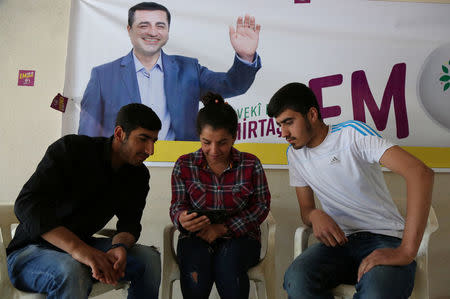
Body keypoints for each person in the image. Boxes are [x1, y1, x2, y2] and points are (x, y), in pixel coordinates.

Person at [267, 83, 434, 299]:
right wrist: (315, 215)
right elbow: (306, 210)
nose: (284, 133)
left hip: (385, 237)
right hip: (339, 243)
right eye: (280, 125)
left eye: (289, 122)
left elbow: (420, 173)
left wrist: (406, 251)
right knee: (296, 281)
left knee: (377, 293)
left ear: (312, 114)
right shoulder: (295, 154)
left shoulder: (351, 134)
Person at [7, 104, 162, 299]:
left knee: (149, 260)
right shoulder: (72, 149)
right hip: (30, 251)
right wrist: (79, 250)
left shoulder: (138, 175)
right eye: (143, 139)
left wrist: (119, 247)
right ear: (120, 133)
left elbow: (130, 224)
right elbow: (26, 204)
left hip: (83, 247)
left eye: (154, 141)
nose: (151, 150)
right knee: (71, 269)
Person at [78, 2, 262, 141]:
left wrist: (245, 58)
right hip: (121, 172)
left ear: (167, 31)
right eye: (144, 25)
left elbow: (233, 85)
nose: (152, 32)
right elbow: (87, 135)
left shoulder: (190, 69)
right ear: (129, 29)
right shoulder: (102, 76)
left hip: (178, 168)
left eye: (160, 26)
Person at [169, 92, 271, 299]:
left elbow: (261, 206)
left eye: (223, 142)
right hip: (195, 237)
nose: (214, 150)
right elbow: (177, 205)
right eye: (206, 142)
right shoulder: (184, 164)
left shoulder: (250, 164)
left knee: (229, 264)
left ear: (235, 136)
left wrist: (224, 228)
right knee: (195, 269)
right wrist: (181, 218)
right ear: (198, 136)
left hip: (241, 238)